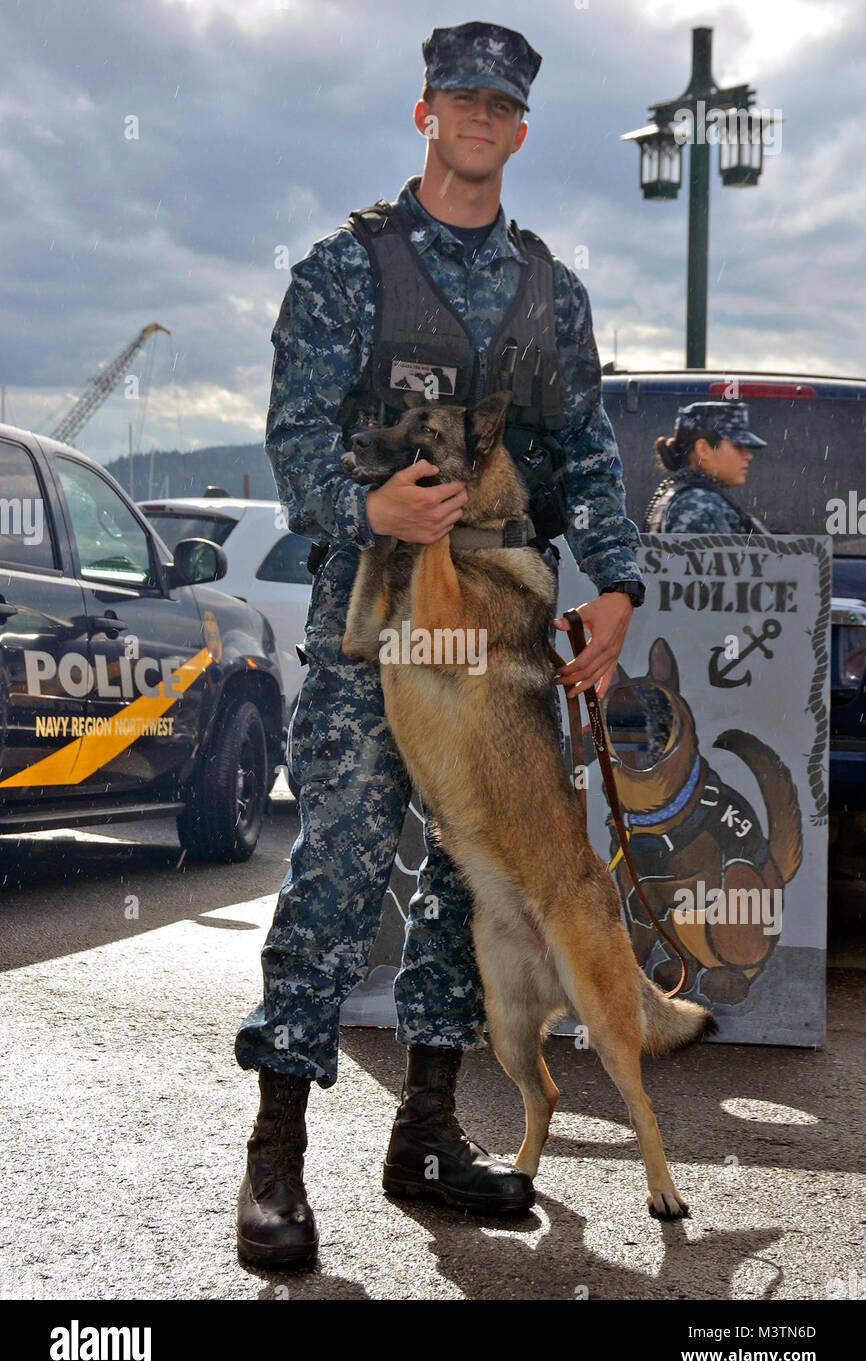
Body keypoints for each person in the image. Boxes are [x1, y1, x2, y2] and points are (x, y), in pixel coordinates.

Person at [234, 20, 646, 1269]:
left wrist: (617, 586)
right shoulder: (343, 268)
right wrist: (362, 504)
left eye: (501, 105)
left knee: (478, 878)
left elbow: (586, 452)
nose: (479, 117)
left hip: (503, 627)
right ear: (425, 113)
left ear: (519, 129)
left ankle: (424, 1129)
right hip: (375, 614)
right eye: (460, 98)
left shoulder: (548, 290)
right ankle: (276, 1154)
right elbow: (295, 428)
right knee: (343, 864)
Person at [644, 399, 769, 534]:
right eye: (738, 447)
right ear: (703, 449)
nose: (748, 456)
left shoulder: (689, 496)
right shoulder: (698, 505)